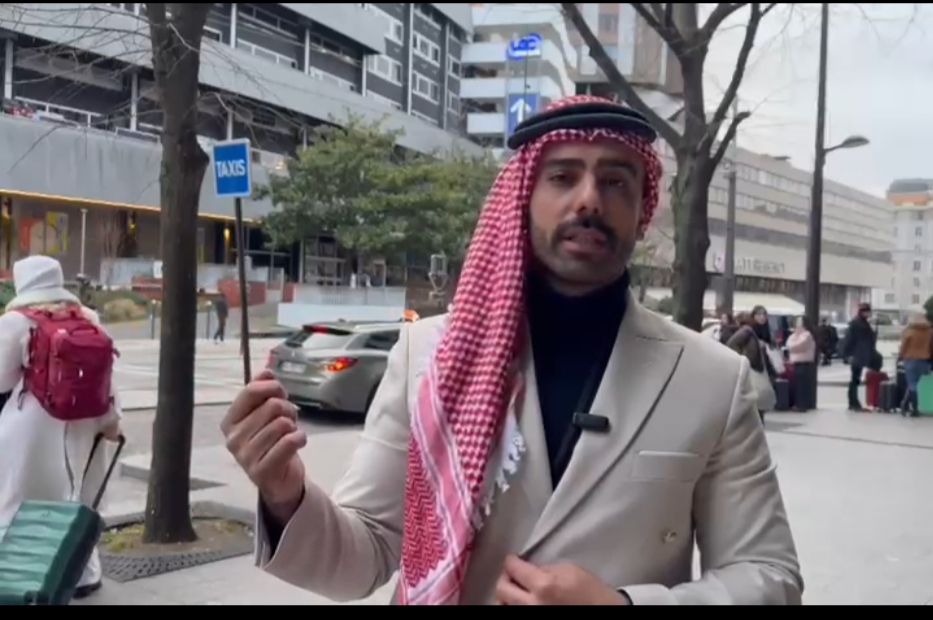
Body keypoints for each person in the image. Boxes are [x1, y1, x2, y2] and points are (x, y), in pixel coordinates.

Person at [220, 96, 802, 606]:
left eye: (615, 181)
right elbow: (365, 555)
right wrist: (286, 495)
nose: (589, 200)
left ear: (642, 209)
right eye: (563, 176)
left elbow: (769, 576)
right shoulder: (427, 354)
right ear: (523, 197)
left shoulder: (713, 378)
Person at [0, 255, 122, 599]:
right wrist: (113, 420)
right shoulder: (88, 318)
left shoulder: (15, 322)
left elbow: (1, 378)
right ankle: (84, 574)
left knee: (18, 500)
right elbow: (106, 376)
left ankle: (18, 575)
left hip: (35, 422)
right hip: (90, 421)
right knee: (79, 498)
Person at [726, 312, 775, 423]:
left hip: (754, 369)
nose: (762, 318)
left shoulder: (752, 332)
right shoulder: (747, 331)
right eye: (758, 316)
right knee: (754, 404)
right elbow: (731, 344)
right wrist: (743, 359)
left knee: (755, 406)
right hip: (752, 369)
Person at [897, 309, 933, 417]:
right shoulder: (929, 331)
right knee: (915, 383)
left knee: (912, 383)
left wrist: (900, 356)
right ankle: (905, 404)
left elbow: (904, 346)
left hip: (910, 358)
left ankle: (913, 408)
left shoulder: (908, 330)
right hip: (924, 359)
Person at [840, 302, 878, 412]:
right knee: (855, 379)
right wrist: (847, 354)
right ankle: (853, 401)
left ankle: (853, 401)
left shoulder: (861, 323)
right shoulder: (858, 324)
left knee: (855, 378)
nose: (868, 314)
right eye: (867, 312)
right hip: (857, 354)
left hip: (859, 354)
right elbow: (850, 340)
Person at [785, 318, 816, 412]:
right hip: (797, 362)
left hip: (804, 362)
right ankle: (799, 403)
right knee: (798, 384)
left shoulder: (807, 335)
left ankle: (802, 404)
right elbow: (789, 343)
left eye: (800, 324)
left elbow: (796, 346)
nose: (798, 326)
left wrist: (793, 344)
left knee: (802, 385)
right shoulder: (795, 335)